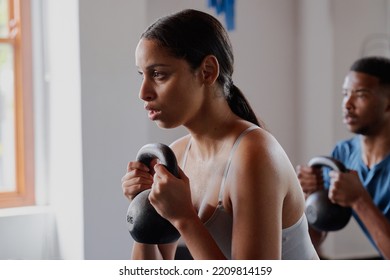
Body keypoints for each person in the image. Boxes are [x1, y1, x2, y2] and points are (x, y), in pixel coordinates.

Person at [121, 9, 318, 260]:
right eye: (142, 75)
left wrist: (185, 219)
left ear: (207, 71)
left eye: (158, 74)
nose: (143, 92)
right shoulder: (178, 155)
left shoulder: (254, 153)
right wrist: (143, 207)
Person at [296, 56, 390, 259]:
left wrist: (359, 199)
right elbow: (313, 239)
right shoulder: (343, 154)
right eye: (345, 94)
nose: (347, 104)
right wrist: (310, 197)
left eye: (361, 95)